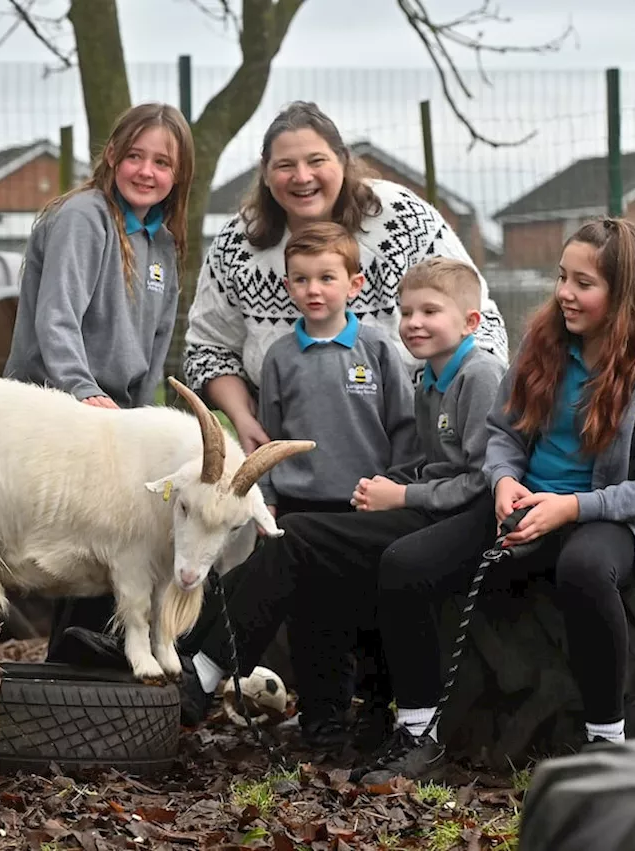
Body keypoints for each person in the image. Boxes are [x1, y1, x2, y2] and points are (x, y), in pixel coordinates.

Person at [354, 217, 635, 783]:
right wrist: (502, 482)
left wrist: (569, 509)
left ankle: (606, 745)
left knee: (584, 568)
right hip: (522, 506)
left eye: (584, 283)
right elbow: (503, 435)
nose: (565, 292)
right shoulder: (542, 344)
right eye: (562, 276)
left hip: (608, 517)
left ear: (624, 293)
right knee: (404, 566)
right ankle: (418, 733)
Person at [177, 257, 504, 758]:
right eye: (406, 311)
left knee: (299, 537)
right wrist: (384, 487)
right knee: (301, 549)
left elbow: (484, 481)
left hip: (457, 523)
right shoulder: (429, 379)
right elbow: (430, 466)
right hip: (424, 510)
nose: (414, 323)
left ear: (471, 322)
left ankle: (204, 668)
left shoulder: (479, 375)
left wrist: (403, 495)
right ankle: (210, 666)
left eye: (430, 312)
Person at [182, 100, 508, 456]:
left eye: (316, 161)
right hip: (295, 448)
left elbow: (479, 319)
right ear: (265, 171)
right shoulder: (237, 243)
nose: (302, 177)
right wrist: (244, 420)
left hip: (416, 443)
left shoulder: (401, 217)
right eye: (285, 165)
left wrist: (452, 417)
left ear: (343, 159)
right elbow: (207, 350)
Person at [1, 102, 195, 663]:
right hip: (58, 405)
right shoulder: (84, 217)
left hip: (116, 418)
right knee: (72, 543)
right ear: (111, 155)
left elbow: (156, 350)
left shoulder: (162, 243)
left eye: (162, 162)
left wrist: (146, 422)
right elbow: (56, 319)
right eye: (134, 155)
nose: (146, 171)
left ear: (177, 175)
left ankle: (81, 664)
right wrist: (85, 394)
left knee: (120, 538)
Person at [256, 221, 419, 516]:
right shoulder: (279, 356)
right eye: (301, 279)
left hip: (368, 502)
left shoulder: (377, 348)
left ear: (354, 285)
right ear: (288, 286)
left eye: (327, 278)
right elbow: (269, 437)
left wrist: (395, 486)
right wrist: (266, 495)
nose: (313, 290)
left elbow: (405, 426)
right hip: (296, 503)